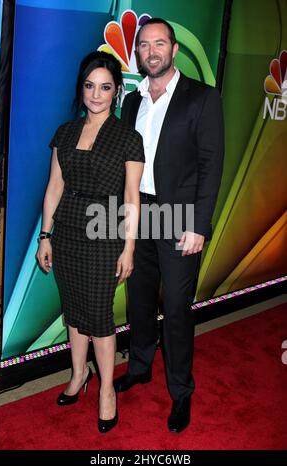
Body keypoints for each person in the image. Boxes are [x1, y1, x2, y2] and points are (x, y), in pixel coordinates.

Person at [114, 18, 224, 433]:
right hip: (137, 213)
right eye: (144, 45)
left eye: (160, 43)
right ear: (138, 53)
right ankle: (140, 366)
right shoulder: (131, 101)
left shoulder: (202, 98)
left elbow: (212, 165)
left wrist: (198, 224)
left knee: (176, 308)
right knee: (139, 297)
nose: (152, 51)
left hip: (180, 219)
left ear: (174, 50)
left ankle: (181, 391)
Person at [37, 51, 145, 433]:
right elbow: (54, 188)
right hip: (65, 233)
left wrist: (129, 247)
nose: (96, 94)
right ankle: (78, 374)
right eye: (89, 85)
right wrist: (45, 236)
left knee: (99, 318)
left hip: (104, 234)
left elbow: (132, 198)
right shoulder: (65, 132)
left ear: (117, 91)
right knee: (74, 312)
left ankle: (106, 391)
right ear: (81, 88)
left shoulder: (128, 137)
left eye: (105, 87)